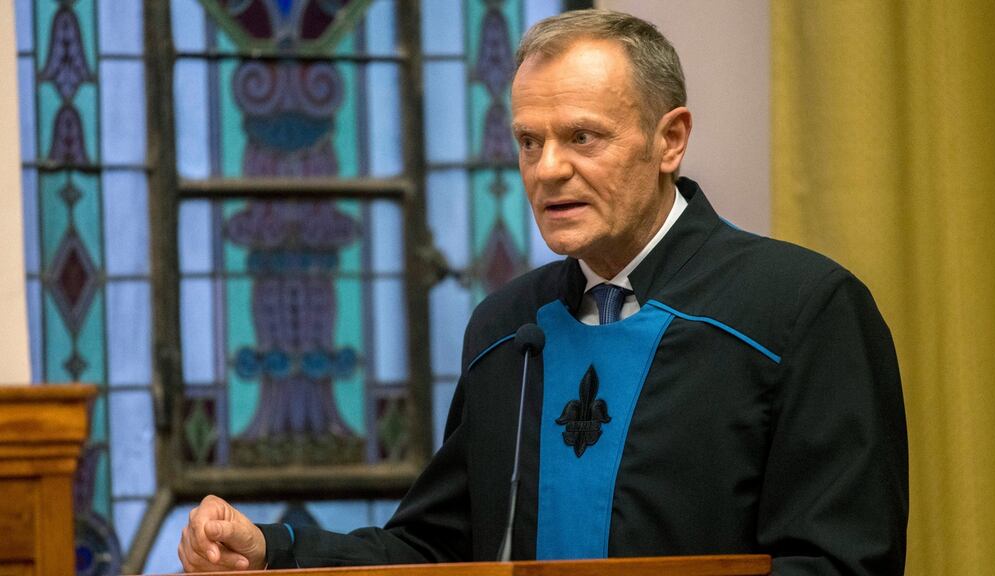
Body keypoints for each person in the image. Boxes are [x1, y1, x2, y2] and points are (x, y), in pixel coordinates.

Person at [179, 9, 908, 574]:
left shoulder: (801, 311)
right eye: (529, 142)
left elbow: (838, 561)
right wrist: (273, 550)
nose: (547, 170)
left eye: (582, 138)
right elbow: (441, 550)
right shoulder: (506, 327)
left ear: (671, 139)